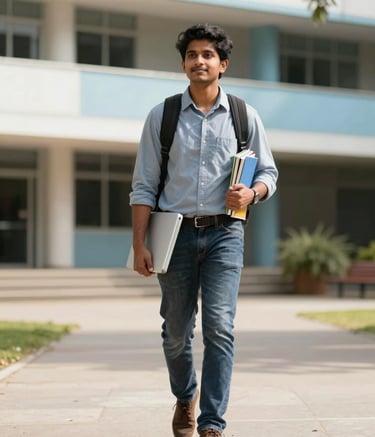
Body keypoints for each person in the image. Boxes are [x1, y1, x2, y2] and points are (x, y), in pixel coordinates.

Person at [129, 23, 278, 437]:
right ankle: (184, 396)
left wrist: (252, 193)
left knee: (219, 326)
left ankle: (212, 422)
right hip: (172, 235)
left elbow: (268, 172)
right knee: (176, 332)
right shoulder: (163, 115)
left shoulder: (245, 116)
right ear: (184, 64)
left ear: (222, 64)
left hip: (225, 234)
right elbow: (143, 184)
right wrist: (139, 243)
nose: (200, 61)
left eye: (208, 55)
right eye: (192, 54)